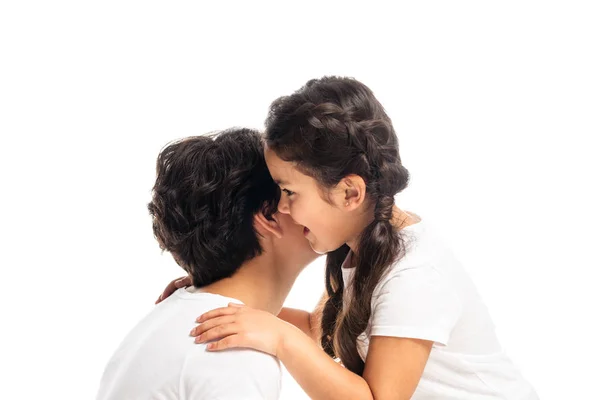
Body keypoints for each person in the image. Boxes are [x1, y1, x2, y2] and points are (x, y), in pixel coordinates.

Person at [186, 77, 539, 399]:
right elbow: (318, 331)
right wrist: (220, 297)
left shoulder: (413, 276)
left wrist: (280, 339)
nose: (282, 207)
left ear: (349, 194)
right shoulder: (361, 246)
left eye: (290, 192)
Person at [96, 128, 318, 400]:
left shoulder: (191, 316)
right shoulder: (231, 349)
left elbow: (328, 326)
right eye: (293, 191)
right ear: (269, 216)